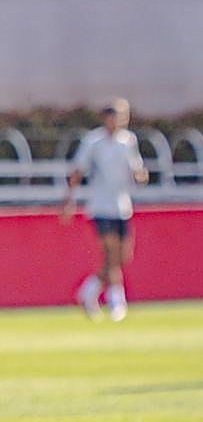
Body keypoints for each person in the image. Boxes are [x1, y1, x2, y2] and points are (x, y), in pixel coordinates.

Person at [61, 98, 149, 321]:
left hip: (122, 206)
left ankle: (88, 291)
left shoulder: (128, 141)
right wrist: (69, 201)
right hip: (100, 206)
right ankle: (116, 301)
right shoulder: (94, 142)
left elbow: (136, 168)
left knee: (121, 257)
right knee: (110, 253)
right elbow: (77, 171)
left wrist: (141, 176)